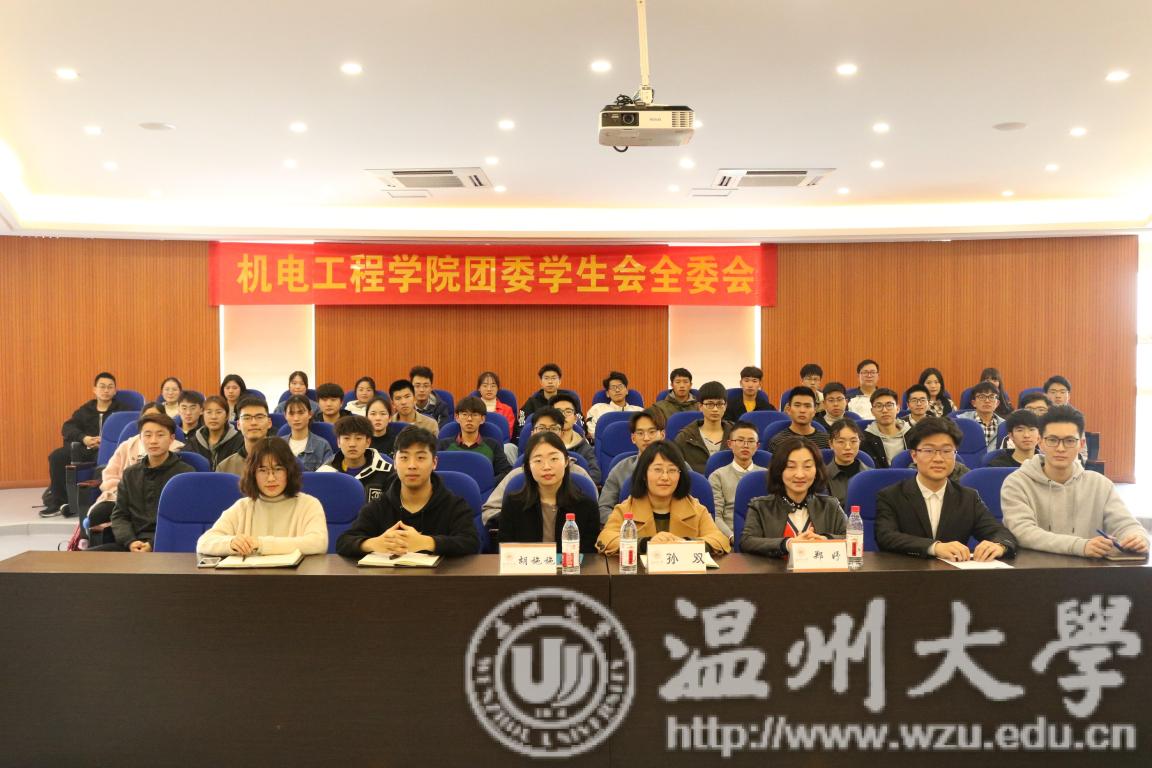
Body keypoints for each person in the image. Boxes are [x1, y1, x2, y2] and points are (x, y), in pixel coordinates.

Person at [1002, 406, 1148, 558]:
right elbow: (1023, 532)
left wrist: (1137, 537)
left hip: (1089, 569)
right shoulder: (1017, 483)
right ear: (1040, 442)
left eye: (1070, 441)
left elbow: (1125, 524)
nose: (1060, 448)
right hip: (1035, 568)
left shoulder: (1099, 484)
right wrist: (1079, 546)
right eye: (1052, 440)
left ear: (1081, 444)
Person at [875, 417, 1017, 561]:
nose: (938, 458)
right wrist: (934, 547)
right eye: (929, 450)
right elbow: (886, 536)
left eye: (946, 451)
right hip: (907, 571)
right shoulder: (891, 496)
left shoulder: (968, 498)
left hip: (953, 572)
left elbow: (1000, 533)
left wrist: (1000, 546)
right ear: (914, 456)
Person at [336, 426, 479, 558]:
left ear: (434, 462)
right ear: (395, 462)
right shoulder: (379, 506)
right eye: (404, 458)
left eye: (420, 458)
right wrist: (373, 544)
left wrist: (427, 542)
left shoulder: (454, 505)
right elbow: (344, 542)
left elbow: (471, 542)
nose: (412, 465)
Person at [196, 436, 328, 556]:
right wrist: (230, 543)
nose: (271, 478)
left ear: (289, 471)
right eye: (262, 470)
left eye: (278, 469)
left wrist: (261, 544)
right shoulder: (242, 507)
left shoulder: (309, 504)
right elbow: (204, 542)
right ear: (253, 474)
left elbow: (318, 542)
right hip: (250, 574)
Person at [596, 441, 730, 556]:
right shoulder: (627, 508)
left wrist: (687, 543)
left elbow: (720, 540)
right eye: (658, 470)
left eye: (672, 470)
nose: (665, 477)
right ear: (644, 475)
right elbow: (605, 539)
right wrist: (645, 544)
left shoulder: (695, 509)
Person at [94, 412, 194, 552]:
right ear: (140, 438)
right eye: (147, 435)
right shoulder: (130, 473)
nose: (153, 441)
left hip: (169, 546)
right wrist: (130, 541)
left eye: (160, 435)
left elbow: (185, 519)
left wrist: (152, 544)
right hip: (132, 544)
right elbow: (119, 515)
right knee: (84, 560)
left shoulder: (185, 474)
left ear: (171, 439)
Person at [741, 436, 846, 557]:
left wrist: (825, 540)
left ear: (817, 471)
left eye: (807, 466)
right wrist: (787, 544)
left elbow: (853, 539)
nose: (800, 475)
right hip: (774, 569)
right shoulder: (760, 507)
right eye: (791, 467)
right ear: (779, 470)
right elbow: (747, 542)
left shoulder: (831, 506)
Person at [497, 431, 599, 552]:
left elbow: (589, 555)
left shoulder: (587, 506)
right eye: (538, 460)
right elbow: (506, 552)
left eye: (554, 459)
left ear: (566, 461)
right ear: (528, 466)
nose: (546, 467)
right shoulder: (513, 505)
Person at [43, 372, 126, 518]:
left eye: (110, 387)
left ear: (115, 391)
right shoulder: (86, 409)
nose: (106, 390)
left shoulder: (123, 410)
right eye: (102, 387)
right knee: (57, 457)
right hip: (85, 448)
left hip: (111, 451)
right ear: (95, 389)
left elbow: (130, 431)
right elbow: (68, 427)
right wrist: (84, 438)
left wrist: (107, 444)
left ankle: (98, 503)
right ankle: (59, 503)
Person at [597, 408, 667, 522]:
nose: (646, 438)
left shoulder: (679, 467)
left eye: (652, 432)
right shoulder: (620, 470)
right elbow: (603, 508)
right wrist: (627, 526)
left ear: (662, 435)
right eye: (640, 433)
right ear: (633, 438)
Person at [708, 421, 767, 539]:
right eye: (740, 440)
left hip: (763, 538)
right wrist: (731, 537)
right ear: (730, 444)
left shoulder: (766, 475)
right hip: (729, 536)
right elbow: (715, 516)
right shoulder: (717, 476)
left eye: (751, 441)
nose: (745, 445)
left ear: (757, 446)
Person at [317, 415, 395, 501]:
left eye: (358, 438)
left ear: (368, 442)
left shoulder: (386, 471)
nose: (352, 444)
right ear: (338, 442)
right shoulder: (326, 472)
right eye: (346, 438)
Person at [438, 396, 512, 482]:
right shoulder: (443, 445)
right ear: (457, 418)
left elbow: (506, 472)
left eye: (474, 415)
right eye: (465, 414)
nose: (469, 419)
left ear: (482, 419)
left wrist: (488, 484)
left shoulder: (493, 445)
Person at [675, 381, 733, 474]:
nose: (715, 409)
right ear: (700, 406)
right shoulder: (685, 437)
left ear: (725, 406)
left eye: (719, 404)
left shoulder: (736, 434)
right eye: (710, 404)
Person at [536, 400, 599, 484]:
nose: (563, 415)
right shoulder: (538, 445)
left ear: (575, 418)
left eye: (568, 411)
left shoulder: (583, 446)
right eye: (558, 411)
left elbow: (595, 474)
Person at [216, 396, 274, 476]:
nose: (253, 422)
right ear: (238, 424)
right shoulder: (225, 467)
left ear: (269, 423)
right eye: (247, 418)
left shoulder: (284, 460)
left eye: (259, 417)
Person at [185, 395, 244, 470]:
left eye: (218, 412)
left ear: (227, 416)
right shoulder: (193, 442)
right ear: (203, 415)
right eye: (209, 412)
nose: (213, 417)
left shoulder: (240, 441)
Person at [281, 394, 335, 471]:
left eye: (301, 413)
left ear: (310, 414)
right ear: (285, 416)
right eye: (291, 413)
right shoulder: (278, 445)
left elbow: (327, 475)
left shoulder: (322, 446)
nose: (296, 418)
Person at [824, 418, 870, 509]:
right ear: (831, 444)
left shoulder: (870, 474)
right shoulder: (823, 477)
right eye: (841, 442)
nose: (848, 447)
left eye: (853, 441)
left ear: (859, 442)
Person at [767, 386, 830, 451]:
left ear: (814, 411)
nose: (802, 410)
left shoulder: (827, 442)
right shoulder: (778, 442)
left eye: (807, 406)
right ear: (788, 410)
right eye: (797, 405)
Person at [519, 363, 582, 427]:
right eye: (546, 378)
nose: (550, 382)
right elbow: (521, 424)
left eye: (553, 378)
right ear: (540, 381)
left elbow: (580, 422)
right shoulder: (532, 401)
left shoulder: (568, 399)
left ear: (559, 381)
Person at [585, 370, 642, 440]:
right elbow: (593, 432)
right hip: (606, 444)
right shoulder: (597, 409)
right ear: (607, 394)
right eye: (613, 387)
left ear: (627, 391)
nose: (617, 390)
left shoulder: (639, 411)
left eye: (620, 386)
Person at [860, 388, 909, 468]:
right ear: (872, 411)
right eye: (879, 406)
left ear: (898, 408)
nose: (884, 410)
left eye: (889, 405)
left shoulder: (912, 434)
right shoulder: (865, 440)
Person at [956, 380, 1004, 451]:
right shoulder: (961, 422)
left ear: (997, 403)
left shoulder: (1004, 426)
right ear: (974, 403)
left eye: (991, 397)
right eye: (982, 397)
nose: (987, 401)